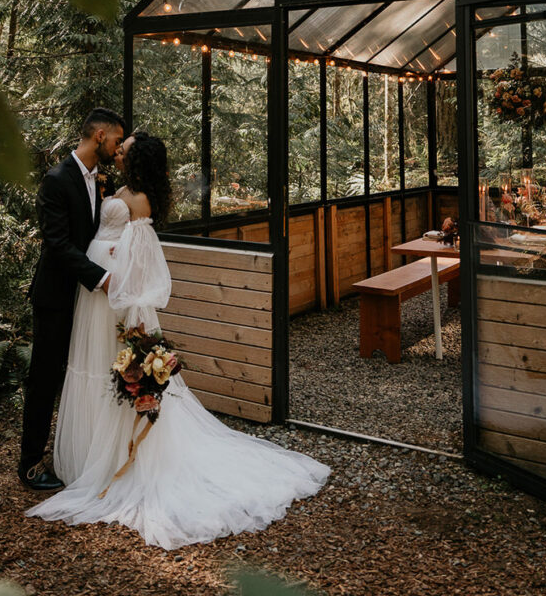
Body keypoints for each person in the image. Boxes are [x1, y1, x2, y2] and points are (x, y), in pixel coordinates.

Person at [25, 131, 330, 549]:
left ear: (136, 160)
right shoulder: (119, 189)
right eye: (119, 145)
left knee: (106, 372)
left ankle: (113, 461)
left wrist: (129, 306)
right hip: (92, 296)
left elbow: (143, 263)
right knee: (89, 369)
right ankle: (86, 458)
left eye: (125, 149)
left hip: (111, 300)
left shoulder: (139, 200)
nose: (118, 151)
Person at [18, 108, 126, 491]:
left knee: (77, 372)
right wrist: (102, 277)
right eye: (115, 141)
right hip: (56, 296)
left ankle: (75, 450)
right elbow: (58, 243)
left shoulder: (101, 180)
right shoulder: (56, 180)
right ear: (98, 136)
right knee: (45, 377)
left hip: (86, 297)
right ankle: (29, 464)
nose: (117, 150)